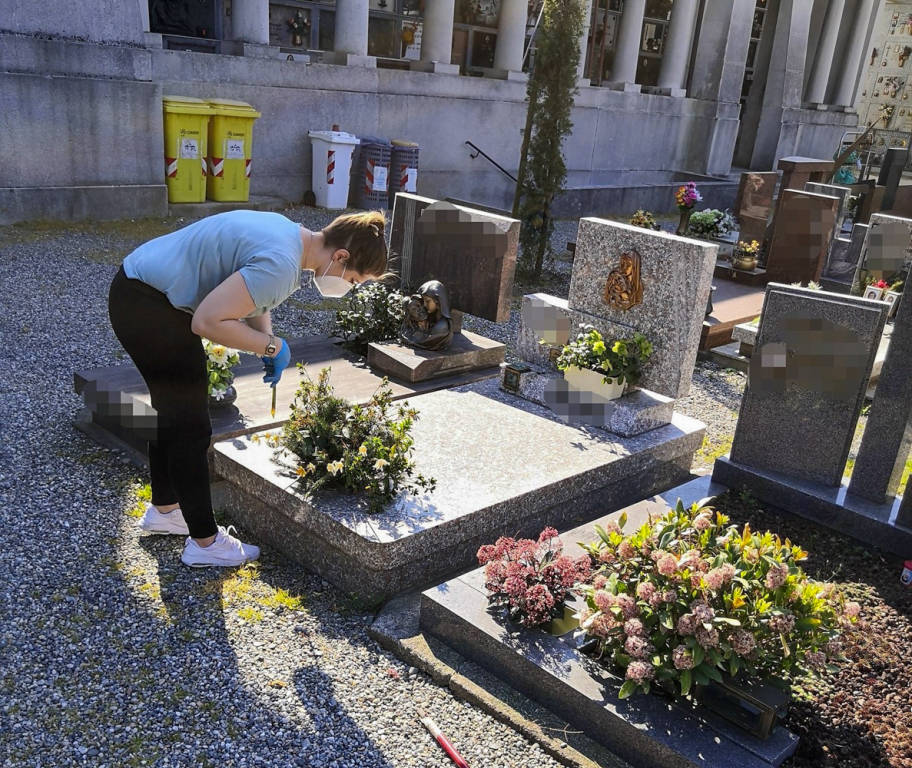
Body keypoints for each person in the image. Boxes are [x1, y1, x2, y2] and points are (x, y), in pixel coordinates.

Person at [108, 209, 388, 567]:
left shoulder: (290, 236)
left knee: (173, 411)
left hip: (140, 291)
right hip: (151, 305)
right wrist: (272, 347)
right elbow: (207, 321)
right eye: (353, 280)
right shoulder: (283, 264)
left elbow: (254, 297)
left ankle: (165, 510)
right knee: (191, 426)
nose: (349, 288)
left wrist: (265, 338)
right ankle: (206, 544)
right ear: (341, 257)